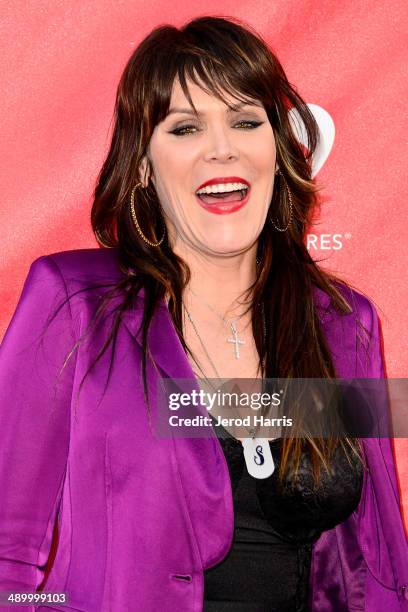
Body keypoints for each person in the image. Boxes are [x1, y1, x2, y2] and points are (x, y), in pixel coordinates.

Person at [0, 15, 407, 612]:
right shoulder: (75, 305)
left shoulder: (344, 324)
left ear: (277, 150)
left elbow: (378, 556)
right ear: (142, 164)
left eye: (245, 121)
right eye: (185, 127)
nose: (222, 147)